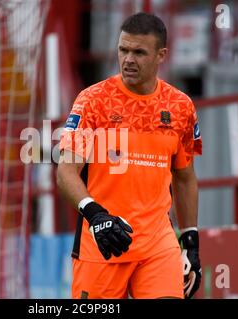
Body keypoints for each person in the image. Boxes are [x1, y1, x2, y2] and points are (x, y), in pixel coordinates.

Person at [57, 13, 203, 299]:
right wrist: (95, 214)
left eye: (139, 52)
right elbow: (65, 172)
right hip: (102, 242)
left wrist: (191, 241)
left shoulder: (181, 107)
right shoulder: (93, 100)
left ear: (161, 55)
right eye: (123, 50)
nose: (128, 59)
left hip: (157, 245)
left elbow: (185, 177)